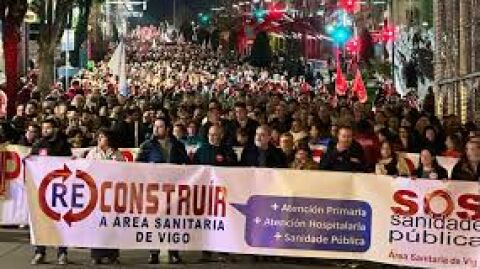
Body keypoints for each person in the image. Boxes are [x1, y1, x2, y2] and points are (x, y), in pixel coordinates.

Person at [136, 117, 189, 264]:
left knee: (174, 222)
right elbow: (137, 165)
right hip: (154, 190)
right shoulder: (147, 145)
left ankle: (174, 252)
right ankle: (154, 252)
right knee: (155, 222)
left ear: (167, 129)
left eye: (160, 127)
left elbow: (186, 164)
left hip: (174, 189)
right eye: (155, 126)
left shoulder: (178, 145)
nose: (156, 129)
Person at [30, 118, 72, 265]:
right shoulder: (38, 144)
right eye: (43, 128)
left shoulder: (63, 144)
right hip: (43, 189)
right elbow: (32, 162)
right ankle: (40, 252)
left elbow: (69, 164)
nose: (45, 130)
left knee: (61, 222)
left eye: (48, 128)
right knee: (42, 222)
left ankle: (62, 253)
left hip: (60, 190)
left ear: (54, 129)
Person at [193, 124, 236, 262]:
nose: (212, 137)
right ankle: (206, 252)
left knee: (223, 222)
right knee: (206, 223)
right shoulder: (201, 151)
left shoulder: (228, 151)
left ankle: (223, 252)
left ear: (221, 135)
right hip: (206, 194)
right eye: (210, 134)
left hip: (223, 194)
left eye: (215, 134)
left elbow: (235, 169)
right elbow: (193, 170)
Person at [86, 128, 124, 265]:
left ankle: (112, 255)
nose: (99, 139)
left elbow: (123, 172)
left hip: (112, 194)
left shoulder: (117, 154)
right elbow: (87, 170)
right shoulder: (92, 153)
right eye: (98, 136)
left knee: (112, 225)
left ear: (109, 139)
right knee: (97, 225)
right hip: (96, 194)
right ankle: (96, 255)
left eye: (102, 136)